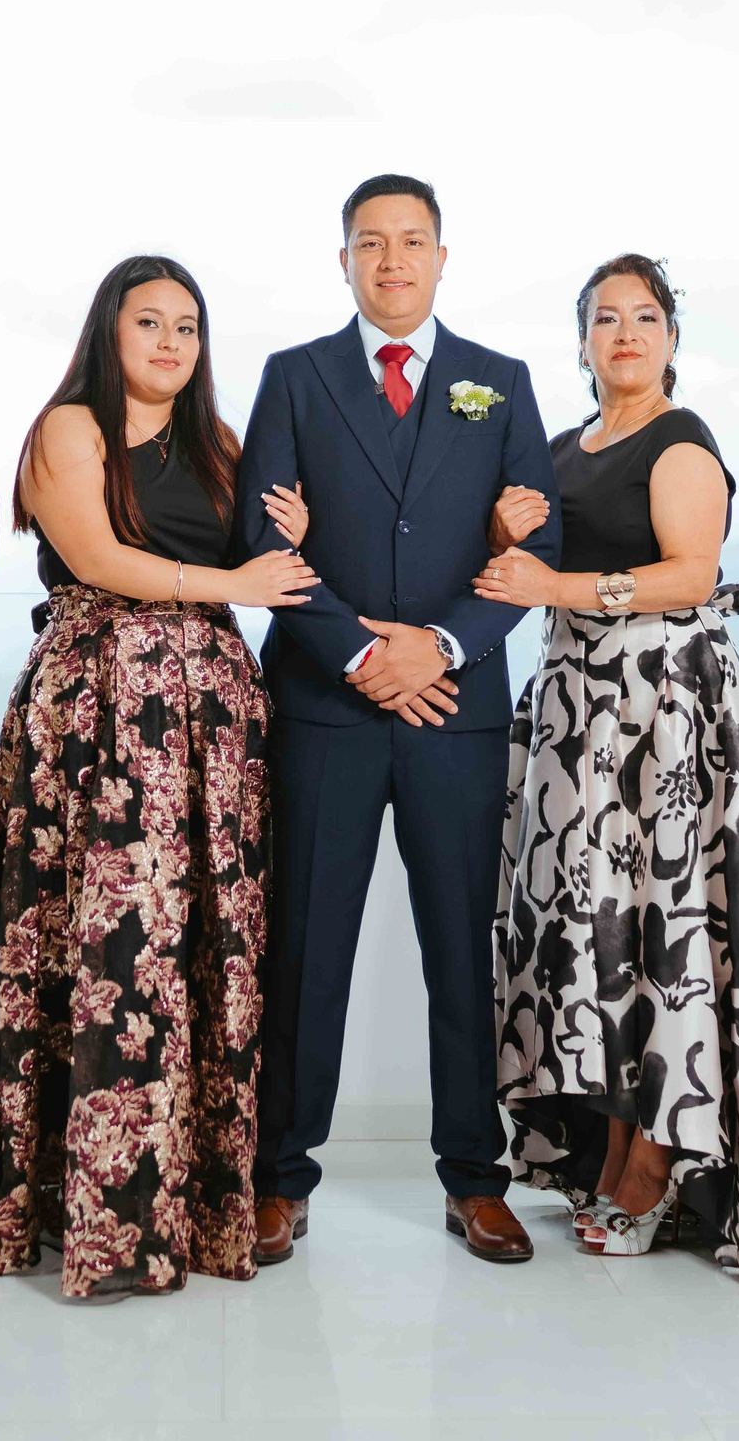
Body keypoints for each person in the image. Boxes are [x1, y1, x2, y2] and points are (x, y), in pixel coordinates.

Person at [0, 254, 317, 1298]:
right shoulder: (70, 428)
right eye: (148, 321)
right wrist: (230, 580)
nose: (170, 342)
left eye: (188, 327)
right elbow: (96, 557)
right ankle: (77, 1206)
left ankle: (184, 1206)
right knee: (100, 946)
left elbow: (275, 558)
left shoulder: (219, 445)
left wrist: (294, 540)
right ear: (109, 330)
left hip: (211, 731)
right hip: (100, 714)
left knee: (192, 950)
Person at [237, 174, 563, 1266]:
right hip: (325, 708)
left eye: (411, 241)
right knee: (305, 948)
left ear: (440, 256)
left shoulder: (498, 382)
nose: (391, 260)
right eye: (369, 243)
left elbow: (537, 555)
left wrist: (447, 647)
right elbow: (264, 543)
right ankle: (279, 1178)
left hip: (455, 712)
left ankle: (475, 1177)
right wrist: (370, 653)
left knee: (458, 949)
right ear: (342, 261)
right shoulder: (293, 377)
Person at [477, 252, 739, 1286]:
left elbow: (689, 573)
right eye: (605, 317)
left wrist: (556, 579)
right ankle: (612, 1137)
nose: (626, 332)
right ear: (580, 340)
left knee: (668, 926)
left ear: (672, 336)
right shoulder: (567, 448)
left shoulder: (680, 440)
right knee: (594, 935)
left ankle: (656, 1151)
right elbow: (519, 563)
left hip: (663, 711)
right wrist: (504, 536)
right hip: (581, 716)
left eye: (646, 316)